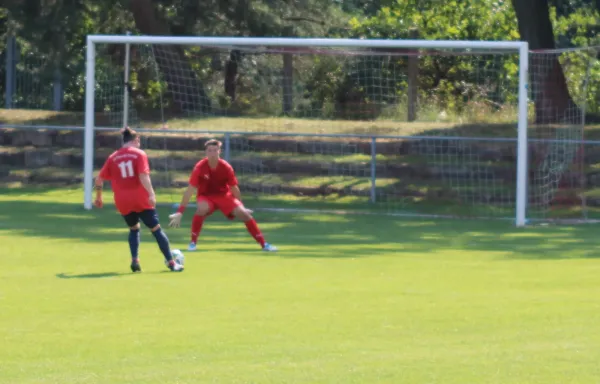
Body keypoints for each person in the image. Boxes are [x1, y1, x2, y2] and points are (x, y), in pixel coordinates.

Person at [93, 127, 184, 272]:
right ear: (135, 140)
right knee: (156, 229)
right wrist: (151, 193)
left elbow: (99, 179)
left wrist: (98, 197)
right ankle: (172, 263)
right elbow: (143, 175)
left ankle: (135, 260)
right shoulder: (140, 154)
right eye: (139, 140)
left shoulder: (113, 157)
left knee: (134, 229)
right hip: (140, 198)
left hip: (122, 200)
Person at [168, 139, 277, 252]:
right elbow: (190, 190)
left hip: (224, 196)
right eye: (210, 150)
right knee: (202, 208)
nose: (212, 153)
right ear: (206, 152)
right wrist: (180, 212)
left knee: (244, 214)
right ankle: (193, 242)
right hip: (206, 196)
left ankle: (264, 244)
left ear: (219, 151)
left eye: (215, 150)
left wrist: (241, 206)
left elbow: (234, 188)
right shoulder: (199, 167)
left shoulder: (226, 167)